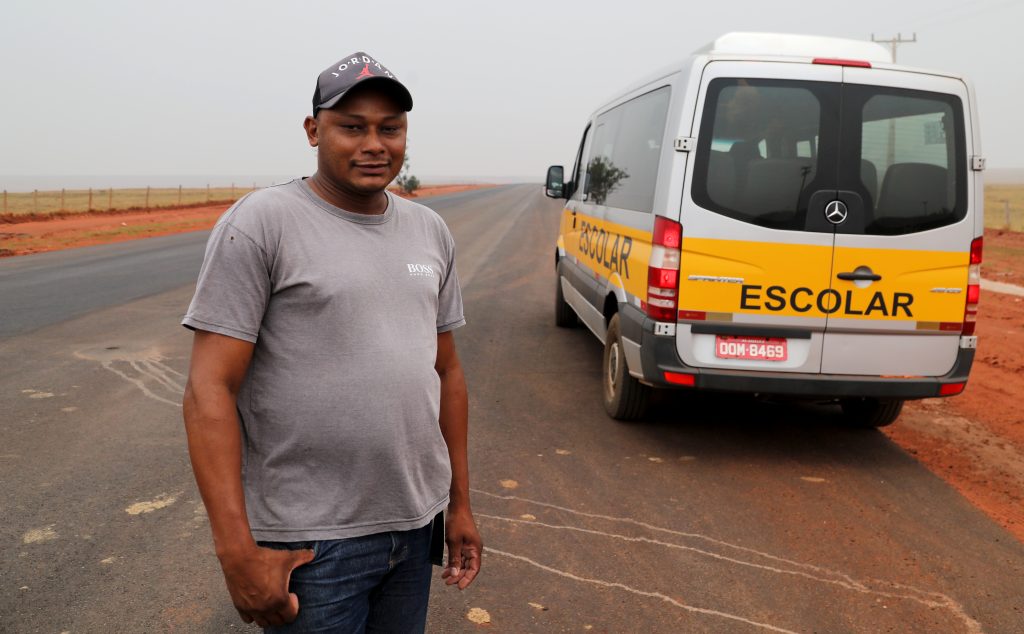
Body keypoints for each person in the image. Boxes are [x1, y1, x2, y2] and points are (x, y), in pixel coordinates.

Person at [181, 51, 482, 632]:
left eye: (390, 128)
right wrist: (235, 550)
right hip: (311, 545)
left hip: (414, 526)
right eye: (352, 127)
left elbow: (446, 372)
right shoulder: (262, 223)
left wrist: (459, 504)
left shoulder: (429, 231)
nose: (375, 144)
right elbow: (208, 389)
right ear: (314, 130)